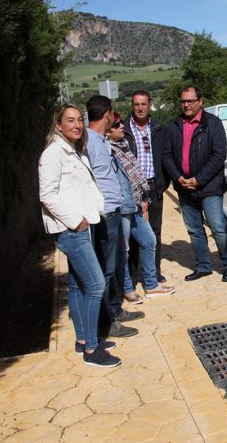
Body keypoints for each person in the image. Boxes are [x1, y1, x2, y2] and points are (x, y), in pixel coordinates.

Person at [38, 104, 121, 367]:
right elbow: (47, 195)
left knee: (77, 285)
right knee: (96, 285)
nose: (76, 125)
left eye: (79, 120)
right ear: (58, 125)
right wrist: (77, 222)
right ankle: (92, 351)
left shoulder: (73, 150)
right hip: (72, 229)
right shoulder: (53, 154)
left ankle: (83, 339)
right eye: (69, 120)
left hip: (82, 225)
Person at [162, 86, 227, 282]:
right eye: (183, 101)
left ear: (200, 101)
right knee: (194, 229)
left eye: (190, 101)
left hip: (209, 187)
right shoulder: (175, 125)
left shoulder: (213, 123)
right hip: (184, 187)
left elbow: (219, 155)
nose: (186, 105)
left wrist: (199, 179)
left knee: (218, 227)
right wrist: (178, 177)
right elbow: (167, 155)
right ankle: (203, 266)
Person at [85, 95, 143, 337]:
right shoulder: (89, 143)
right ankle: (106, 323)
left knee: (117, 262)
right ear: (107, 114)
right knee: (106, 270)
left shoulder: (99, 141)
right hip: (106, 213)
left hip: (115, 211)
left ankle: (115, 309)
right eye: (113, 114)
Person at [108, 112, 175, 300]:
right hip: (122, 207)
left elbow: (135, 177)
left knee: (149, 240)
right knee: (125, 249)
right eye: (116, 125)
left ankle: (151, 284)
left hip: (136, 203)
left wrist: (143, 198)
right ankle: (128, 290)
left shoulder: (124, 146)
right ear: (107, 131)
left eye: (121, 123)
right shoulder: (108, 151)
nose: (122, 127)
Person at [123, 91, 169, 284]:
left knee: (155, 232)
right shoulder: (123, 129)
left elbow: (166, 156)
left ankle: (154, 272)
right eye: (136, 104)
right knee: (133, 233)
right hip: (132, 189)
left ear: (150, 105)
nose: (140, 108)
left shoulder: (159, 128)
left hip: (153, 186)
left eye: (143, 104)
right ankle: (133, 275)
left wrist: (163, 184)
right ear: (131, 106)